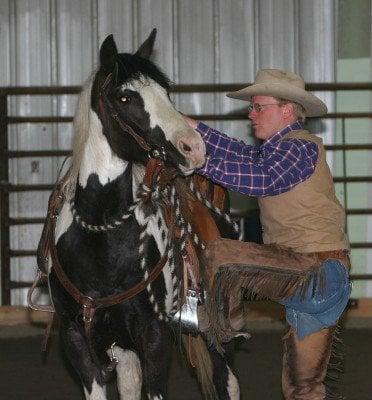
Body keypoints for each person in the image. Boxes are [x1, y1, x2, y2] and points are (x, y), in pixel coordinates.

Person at [184, 69, 351, 400]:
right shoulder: (279, 150)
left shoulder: (297, 147)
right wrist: (190, 127)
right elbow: (238, 153)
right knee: (302, 389)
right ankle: (222, 319)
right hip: (320, 277)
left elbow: (260, 179)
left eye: (260, 107)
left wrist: (198, 162)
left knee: (221, 253)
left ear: (287, 110)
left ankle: (222, 324)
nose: (251, 113)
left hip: (312, 270)